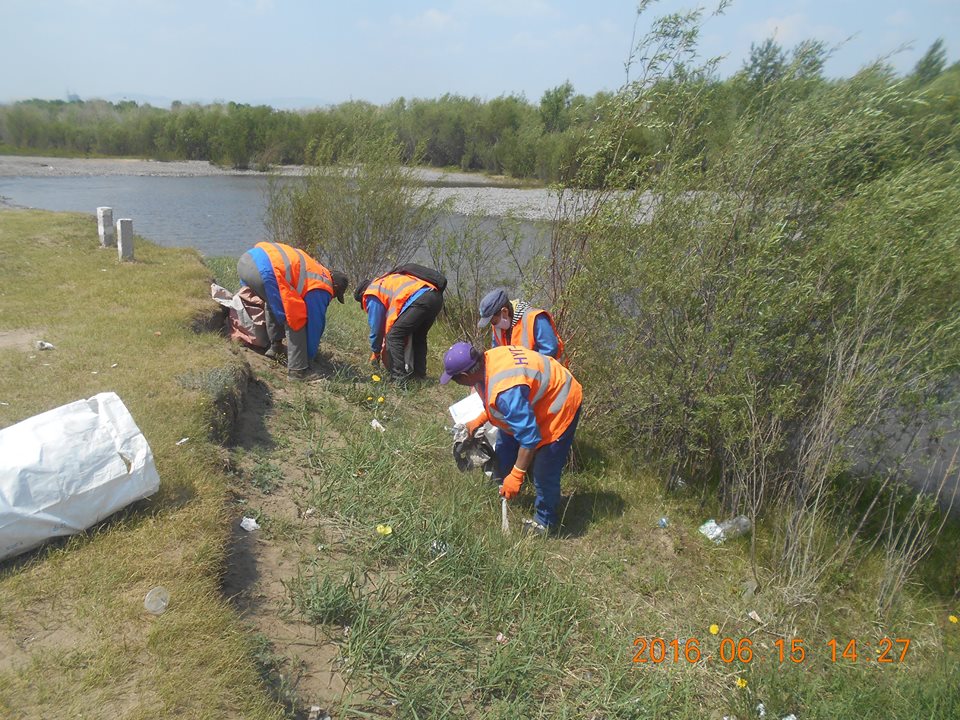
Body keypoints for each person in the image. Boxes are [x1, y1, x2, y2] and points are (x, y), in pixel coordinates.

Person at [440, 342, 582, 536]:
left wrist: (517, 474)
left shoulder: (506, 391)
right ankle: (501, 485)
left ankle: (545, 522)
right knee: (505, 445)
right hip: (533, 397)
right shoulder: (487, 361)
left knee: (544, 469)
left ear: (465, 376)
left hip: (560, 403)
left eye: (455, 379)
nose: (456, 383)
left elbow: (530, 439)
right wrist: (481, 419)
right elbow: (499, 402)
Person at [237, 241, 348, 381]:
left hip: (247, 261)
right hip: (265, 271)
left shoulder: (314, 268)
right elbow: (315, 325)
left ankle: (275, 348)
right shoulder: (323, 285)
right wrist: (310, 356)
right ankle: (297, 371)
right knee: (296, 318)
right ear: (335, 286)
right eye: (335, 295)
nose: (331, 298)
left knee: (276, 303)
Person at [355, 268, 444, 381]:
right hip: (436, 298)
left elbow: (376, 329)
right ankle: (419, 375)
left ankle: (398, 378)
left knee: (394, 336)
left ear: (363, 294)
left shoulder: (372, 292)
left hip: (422, 298)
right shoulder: (386, 281)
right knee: (419, 337)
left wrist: (376, 352)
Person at [476, 288, 567, 364]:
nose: (493, 325)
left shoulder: (535, 318)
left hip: (552, 379)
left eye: (494, 321)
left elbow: (549, 351)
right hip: (523, 379)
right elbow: (497, 354)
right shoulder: (498, 327)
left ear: (505, 312)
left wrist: (523, 368)